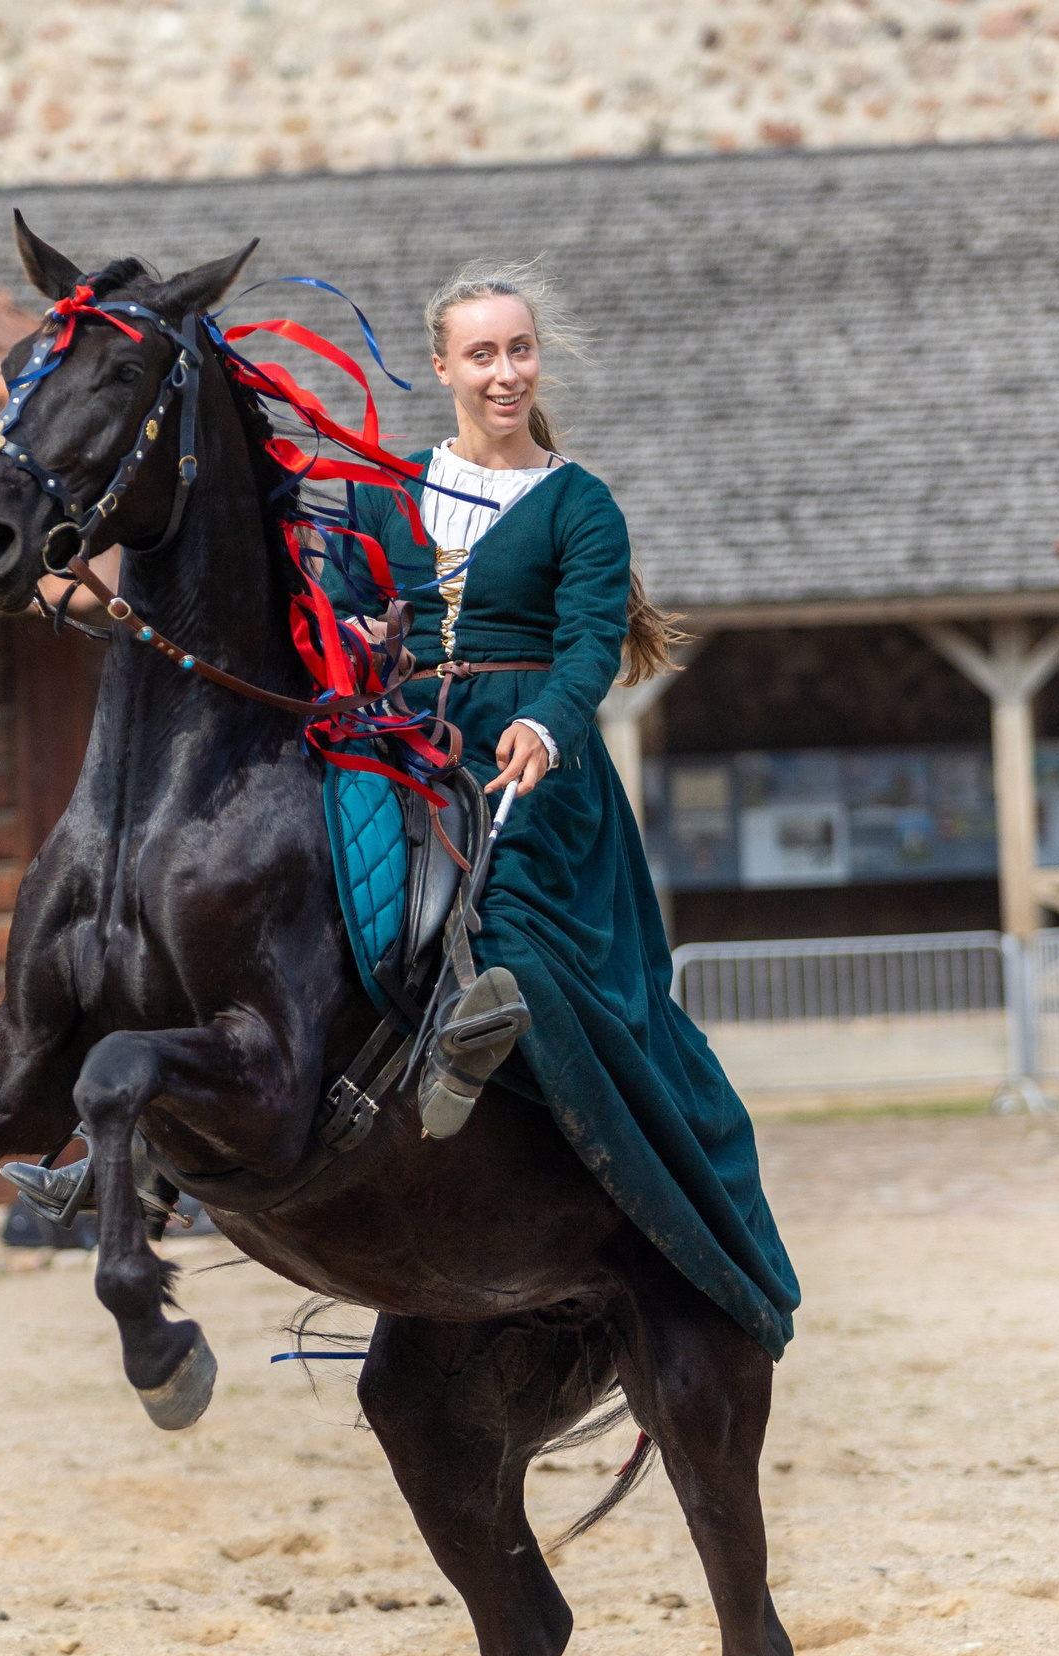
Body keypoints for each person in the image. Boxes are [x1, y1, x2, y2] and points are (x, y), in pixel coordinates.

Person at [341, 263, 799, 1353]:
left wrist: (546, 725)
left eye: (520, 350)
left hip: (529, 762)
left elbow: (591, 642)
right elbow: (350, 608)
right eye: (482, 354)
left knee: (508, 923)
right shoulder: (382, 491)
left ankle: (488, 1075)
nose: (505, 372)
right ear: (442, 366)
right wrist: (365, 641)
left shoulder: (580, 502)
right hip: (406, 747)